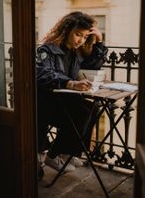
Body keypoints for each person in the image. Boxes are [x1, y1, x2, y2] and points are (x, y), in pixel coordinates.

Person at [36, 11, 108, 173]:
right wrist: (71, 83)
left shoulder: (76, 52)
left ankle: (70, 152)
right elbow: (42, 74)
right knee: (82, 111)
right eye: (78, 35)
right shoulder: (47, 49)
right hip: (45, 102)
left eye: (84, 37)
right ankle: (53, 155)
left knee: (94, 108)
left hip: (62, 100)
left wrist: (99, 41)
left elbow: (93, 65)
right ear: (66, 30)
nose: (81, 40)